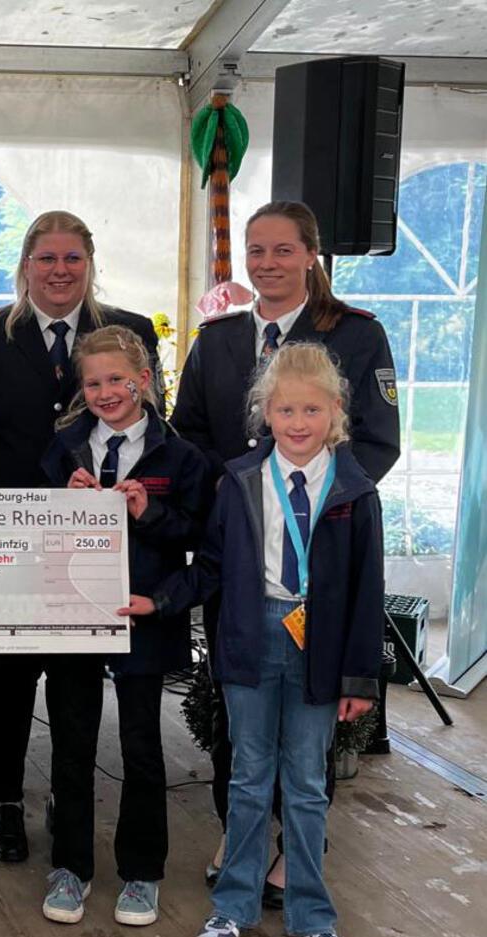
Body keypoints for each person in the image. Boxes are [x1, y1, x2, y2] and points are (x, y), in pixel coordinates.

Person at [124, 341, 382, 937]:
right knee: (247, 777)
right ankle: (233, 905)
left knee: (307, 784)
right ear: (266, 413)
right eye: (286, 410)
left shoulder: (356, 492)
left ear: (336, 411)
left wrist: (360, 677)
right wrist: (160, 601)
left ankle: (312, 917)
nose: (298, 422)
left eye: (312, 410)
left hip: (320, 645)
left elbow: (366, 591)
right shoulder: (239, 481)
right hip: (250, 636)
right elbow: (211, 566)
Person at [170, 199, 400, 900]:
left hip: (318, 557)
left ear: (311, 254)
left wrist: (316, 497)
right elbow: (188, 435)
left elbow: (378, 442)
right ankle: (237, 833)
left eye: (282, 249)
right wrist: (235, 499)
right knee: (234, 701)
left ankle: (297, 849)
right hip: (241, 557)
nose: (267, 263)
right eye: (256, 250)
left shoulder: (356, 335)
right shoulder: (218, 340)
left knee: (310, 713)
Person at [0, 209, 164, 864]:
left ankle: (68, 803)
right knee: (7, 676)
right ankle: (6, 801)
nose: (60, 271)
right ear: (26, 266)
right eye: (47, 258)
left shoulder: (129, 331)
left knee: (76, 682)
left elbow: (153, 432)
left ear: (90, 264)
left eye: (72, 258)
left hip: (91, 546)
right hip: (6, 536)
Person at [37, 327, 210, 927]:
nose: (105, 392)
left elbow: (198, 535)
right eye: (93, 383)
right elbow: (32, 526)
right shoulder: (63, 448)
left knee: (142, 747)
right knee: (72, 742)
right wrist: (63, 500)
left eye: (116, 379)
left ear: (143, 379)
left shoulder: (181, 456)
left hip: (144, 618)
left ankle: (142, 872)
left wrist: (149, 511)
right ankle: (70, 866)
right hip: (73, 617)